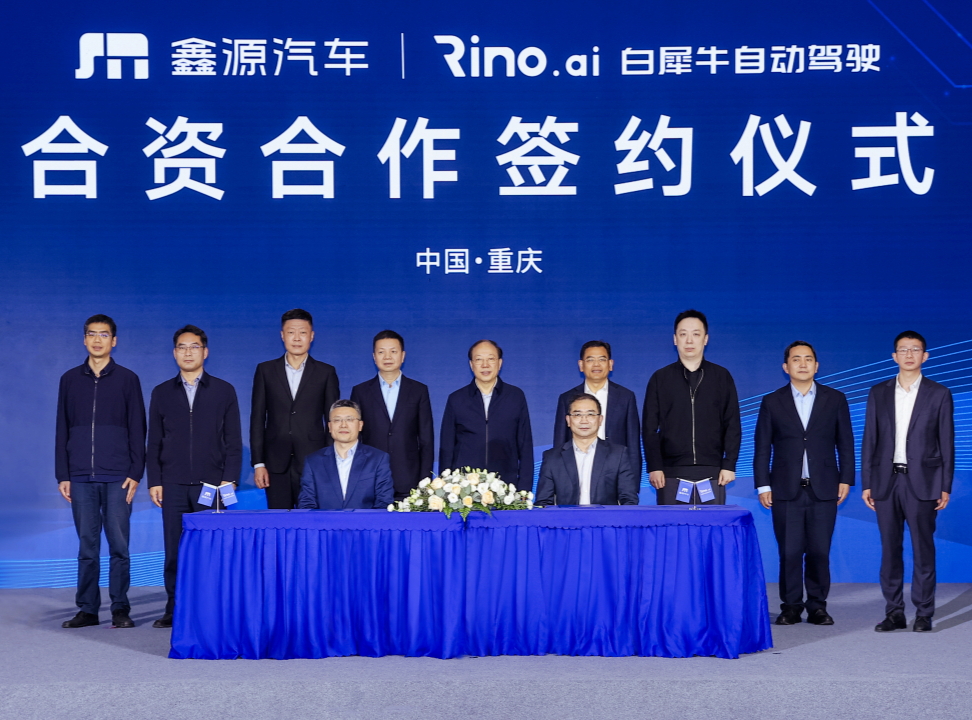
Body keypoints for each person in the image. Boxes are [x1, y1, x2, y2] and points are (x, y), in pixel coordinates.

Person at [146, 325, 242, 629]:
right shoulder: (161, 392)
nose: (188, 352)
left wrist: (230, 478)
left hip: (212, 485)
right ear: (175, 353)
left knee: (211, 549)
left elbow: (233, 441)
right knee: (174, 550)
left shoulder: (224, 391)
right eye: (182, 347)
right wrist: (155, 480)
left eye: (194, 346)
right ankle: (174, 607)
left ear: (205, 352)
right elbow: (154, 442)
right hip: (172, 484)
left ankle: (212, 607)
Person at [753, 341, 855, 626]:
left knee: (820, 551)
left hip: (825, 487)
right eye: (796, 359)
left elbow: (846, 444)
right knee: (789, 552)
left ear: (816, 366)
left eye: (808, 359)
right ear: (786, 367)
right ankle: (791, 606)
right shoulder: (772, 401)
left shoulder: (835, 399)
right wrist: (763, 485)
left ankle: (818, 606)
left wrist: (846, 478)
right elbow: (762, 447)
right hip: (785, 489)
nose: (802, 364)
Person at [55, 314, 145, 629]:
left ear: (114, 341)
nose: (97, 340)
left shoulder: (128, 379)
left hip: (119, 475)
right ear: (84, 339)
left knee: (119, 546)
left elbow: (138, 428)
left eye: (104, 334)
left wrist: (136, 471)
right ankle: (88, 610)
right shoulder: (69, 379)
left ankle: (120, 608)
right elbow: (62, 428)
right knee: (87, 547)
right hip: (80, 476)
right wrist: (63, 473)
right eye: (92, 334)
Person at [862, 331, 954, 632]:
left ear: (925, 356)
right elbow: (870, 439)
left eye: (915, 349)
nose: (909, 354)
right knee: (890, 549)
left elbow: (947, 442)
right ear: (894, 357)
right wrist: (867, 482)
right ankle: (894, 613)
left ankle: (924, 612)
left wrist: (945, 485)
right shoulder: (878, 392)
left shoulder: (939, 393)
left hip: (924, 482)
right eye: (903, 350)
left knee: (922, 549)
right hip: (886, 482)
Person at [642, 309, 741, 505]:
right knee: (672, 525)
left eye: (696, 334)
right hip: (670, 473)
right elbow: (649, 427)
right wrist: (654, 466)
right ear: (675, 339)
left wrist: (729, 463)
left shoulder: (721, 377)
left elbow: (732, 424)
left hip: (713, 472)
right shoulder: (660, 378)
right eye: (683, 334)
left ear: (705, 339)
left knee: (711, 525)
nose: (689, 340)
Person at [251, 309, 340, 509]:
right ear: (282, 335)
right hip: (274, 464)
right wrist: (259, 463)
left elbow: (332, 421)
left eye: (303, 332)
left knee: (311, 521)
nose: (297, 338)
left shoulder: (326, 373)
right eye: (291, 332)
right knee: (278, 521)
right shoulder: (265, 370)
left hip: (313, 462)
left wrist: (328, 462)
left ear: (312, 336)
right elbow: (257, 419)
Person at [439, 340, 534, 490]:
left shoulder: (515, 396)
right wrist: (445, 487)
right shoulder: (456, 399)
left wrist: (524, 490)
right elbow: (447, 448)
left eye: (491, 359)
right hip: (465, 489)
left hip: (506, 488)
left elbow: (525, 446)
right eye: (479, 359)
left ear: (500, 363)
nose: (485, 365)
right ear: (471, 365)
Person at [350, 330, 434, 500]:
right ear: (374, 357)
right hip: (369, 480)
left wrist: (425, 482)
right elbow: (355, 439)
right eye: (381, 352)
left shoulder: (418, 391)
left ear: (402, 356)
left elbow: (426, 440)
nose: (387, 357)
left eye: (393, 351)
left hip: (409, 481)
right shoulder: (360, 392)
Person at [552, 341, 641, 483]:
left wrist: (633, 484)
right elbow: (559, 443)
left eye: (601, 359)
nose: (596, 364)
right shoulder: (566, 398)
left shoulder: (626, 397)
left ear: (610, 364)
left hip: (615, 471)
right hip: (576, 470)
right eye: (590, 360)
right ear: (581, 365)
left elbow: (633, 445)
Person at [537, 393, 640, 506]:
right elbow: (543, 503)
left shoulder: (618, 454)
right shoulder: (552, 457)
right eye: (577, 414)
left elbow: (629, 501)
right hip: (568, 518)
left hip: (606, 517)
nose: (584, 421)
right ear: (568, 420)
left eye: (590, 414)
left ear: (600, 419)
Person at [298, 400, 394, 509]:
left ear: (360, 425)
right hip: (325, 520)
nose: (343, 425)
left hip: (364, 520)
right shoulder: (313, 461)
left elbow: (383, 502)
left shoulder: (378, 459)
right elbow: (307, 504)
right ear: (329, 426)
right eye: (337, 420)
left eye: (349, 419)